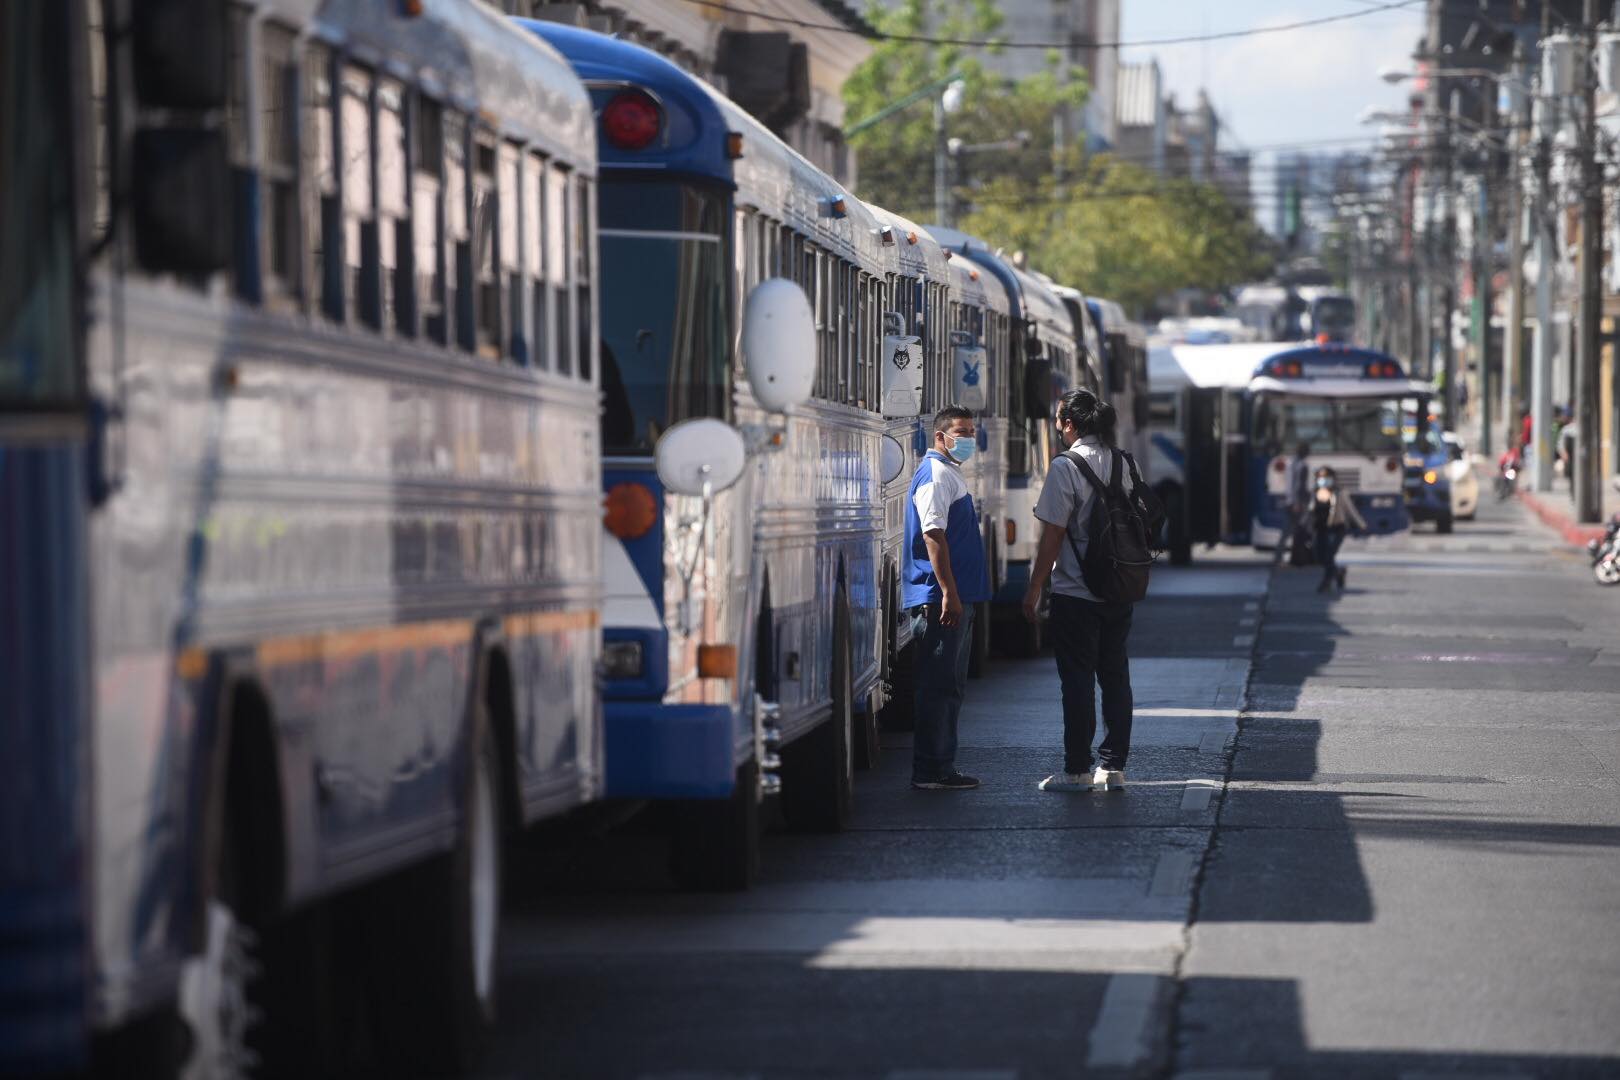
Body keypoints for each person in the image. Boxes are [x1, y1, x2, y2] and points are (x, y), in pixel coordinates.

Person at [1023, 389, 1137, 793]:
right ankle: (1114, 767)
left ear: (1070, 425)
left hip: (1076, 591)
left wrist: (1035, 587)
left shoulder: (1065, 466)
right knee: (1115, 676)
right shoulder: (1123, 462)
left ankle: (1077, 769)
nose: (1056, 427)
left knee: (1077, 681)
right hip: (1119, 588)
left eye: (1058, 420)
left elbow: (1053, 533)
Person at [904, 405, 991, 791]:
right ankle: (931, 769)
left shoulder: (949, 472)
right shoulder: (937, 475)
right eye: (962, 431)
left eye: (972, 431)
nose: (969, 438)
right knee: (938, 685)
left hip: (956, 597)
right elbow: (932, 536)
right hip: (942, 600)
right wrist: (948, 593)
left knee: (950, 685)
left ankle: (942, 765)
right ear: (940, 436)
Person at [1310, 466, 1366, 593]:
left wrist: (1361, 524)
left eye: (1326, 477)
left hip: (1337, 528)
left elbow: (1350, 510)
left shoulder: (1340, 493)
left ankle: (1327, 582)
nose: (1323, 480)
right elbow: (1310, 512)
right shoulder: (1315, 493)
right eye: (1321, 477)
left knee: (1329, 555)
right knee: (1320, 557)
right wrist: (1304, 524)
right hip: (1321, 528)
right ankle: (1339, 572)